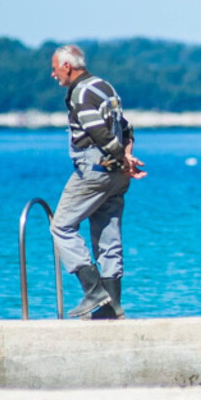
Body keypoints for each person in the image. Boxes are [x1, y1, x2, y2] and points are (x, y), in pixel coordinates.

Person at [48, 44, 145, 318]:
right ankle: (111, 307)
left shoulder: (80, 93)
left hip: (93, 171)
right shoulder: (105, 86)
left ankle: (93, 290)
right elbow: (125, 126)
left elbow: (99, 133)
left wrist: (122, 157)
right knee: (108, 235)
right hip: (115, 176)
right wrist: (126, 154)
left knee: (61, 227)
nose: (53, 75)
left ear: (67, 66)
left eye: (55, 69)